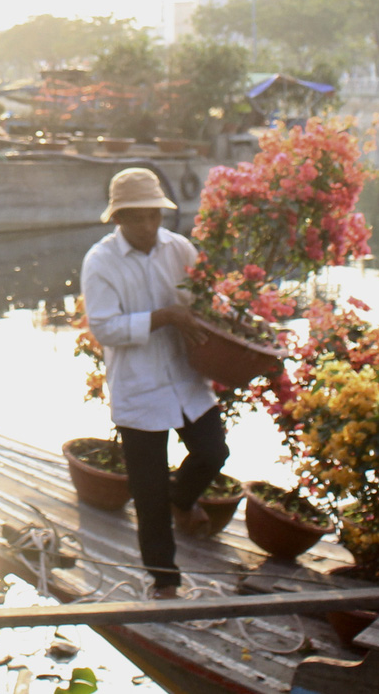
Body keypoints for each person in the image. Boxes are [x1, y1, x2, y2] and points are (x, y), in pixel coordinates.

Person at [80, 167, 229, 599]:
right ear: (118, 219)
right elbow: (105, 328)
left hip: (185, 376)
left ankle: (181, 500)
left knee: (213, 450)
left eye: (153, 216)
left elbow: (202, 302)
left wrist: (224, 328)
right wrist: (164, 317)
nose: (147, 227)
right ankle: (165, 582)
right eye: (137, 218)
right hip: (138, 385)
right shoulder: (100, 261)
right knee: (147, 494)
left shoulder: (180, 248)